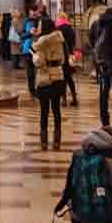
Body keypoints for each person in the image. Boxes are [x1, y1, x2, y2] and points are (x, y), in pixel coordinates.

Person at [31, 17, 68, 150]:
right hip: (58, 76)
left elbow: (39, 62)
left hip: (45, 78)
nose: (39, 27)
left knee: (44, 111)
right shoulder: (59, 39)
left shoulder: (41, 42)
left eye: (40, 25)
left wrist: (34, 57)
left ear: (45, 27)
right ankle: (57, 141)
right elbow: (63, 58)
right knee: (56, 110)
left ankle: (44, 141)